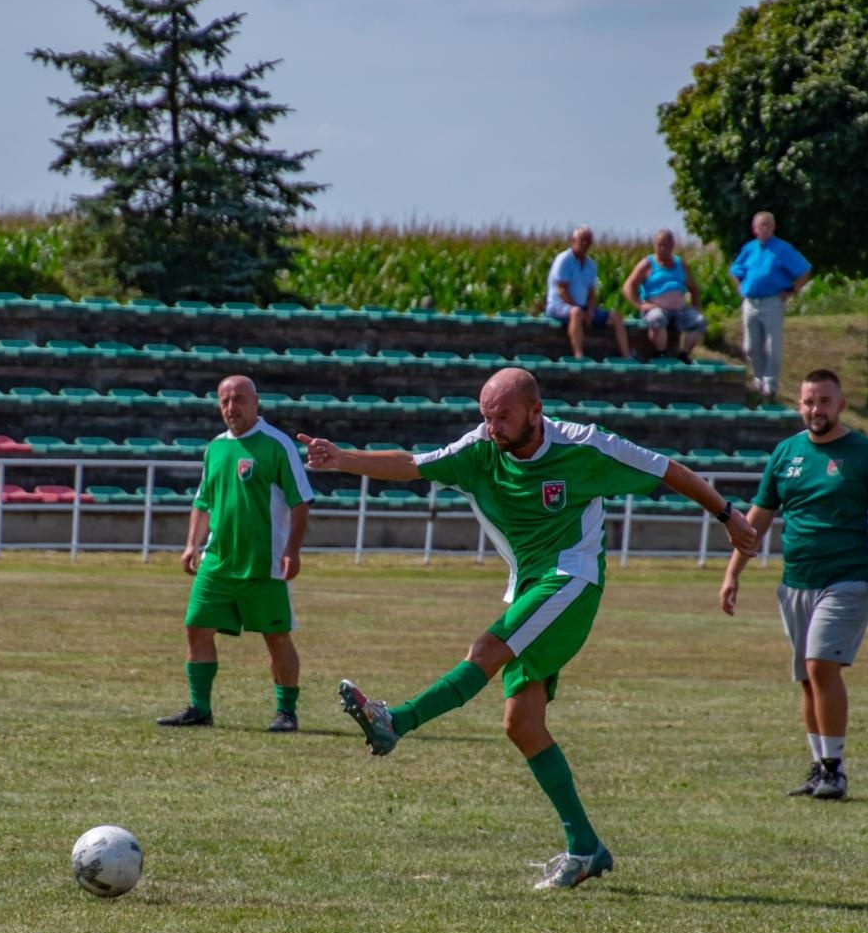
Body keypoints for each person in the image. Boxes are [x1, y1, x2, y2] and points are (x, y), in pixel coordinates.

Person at [299, 368, 757, 889]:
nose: (491, 426)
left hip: (572, 578)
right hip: (528, 585)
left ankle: (396, 722)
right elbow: (412, 464)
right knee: (521, 725)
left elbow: (666, 470)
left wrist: (727, 514)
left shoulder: (585, 447)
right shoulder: (479, 448)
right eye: (486, 415)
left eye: (503, 416)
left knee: (487, 648)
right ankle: (586, 849)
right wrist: (341, 459)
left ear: (536, 412)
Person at [719, 368, 868, 801]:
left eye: (824, 401)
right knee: (807, 678)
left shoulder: (866, 454)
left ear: (841, 405)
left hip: (850, 578)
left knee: (820, 666)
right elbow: (757, 518)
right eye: (809, 401)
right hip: (797, 582)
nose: (816, 409)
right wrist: (733, 573)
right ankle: (817, 767)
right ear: (799, 405)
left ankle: (835, 771)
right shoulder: (785, 453)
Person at [158, 375, 314, 733]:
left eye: (239, 399)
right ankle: (199, 708)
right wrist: (191, 545)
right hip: (218, 562)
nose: (232, 407)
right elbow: (203, 501)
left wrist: (292, 550)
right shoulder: (215, 447)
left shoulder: (277, 444)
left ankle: (286, 713)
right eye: (225, 401)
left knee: (276, 638)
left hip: (265, 563)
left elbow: (300, 501)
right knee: (196, 628)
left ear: (256, 402)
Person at [728, 211, 812, 398]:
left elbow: (804, 270)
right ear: (754, 228)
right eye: (761, 225)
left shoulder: (782, 248)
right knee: (750, 346)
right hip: (751, 302)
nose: (764, 228)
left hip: (772, 301)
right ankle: (758, 379)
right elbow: (735, 270)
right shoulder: (749, 248)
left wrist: (792, 291)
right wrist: (740, 287)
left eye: (768, 225)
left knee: (772, 346)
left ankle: (770, 385)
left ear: (773, 227)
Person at [545, 226, 633, 359]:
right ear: (573, 240)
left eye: (588, 241)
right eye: (582, 240)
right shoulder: (564, 260)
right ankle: (579, 355)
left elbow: (591, 293)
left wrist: (590, 312)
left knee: (616, 316)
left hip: (583, 307)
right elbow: (562, 290)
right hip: (559, 306)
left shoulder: (591, 265)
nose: (585, 244)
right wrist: (581, 310)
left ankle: (626, 355)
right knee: (576, 313)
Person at [621, 228, 707, 362]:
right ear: (655, 245)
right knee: (657, 318)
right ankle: (661, 353)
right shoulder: (647, 264)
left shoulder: (680, 264)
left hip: (680, 310)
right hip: (656, 308)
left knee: (699, 321)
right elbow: (628, 286)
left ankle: (684, 354)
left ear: (672, 245)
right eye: (660, 245)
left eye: (667, 245)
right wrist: (640, 305)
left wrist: (696, 307)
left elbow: (693, 288)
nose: (664, 248)